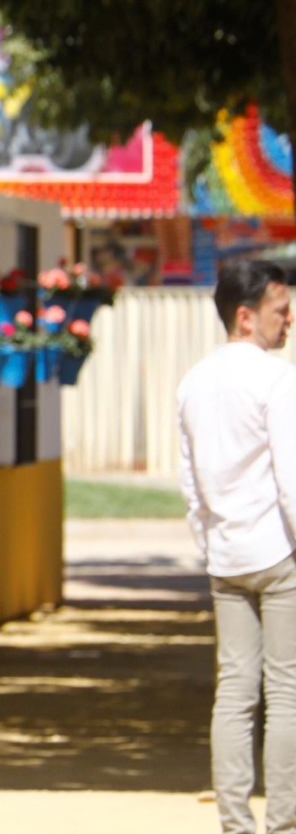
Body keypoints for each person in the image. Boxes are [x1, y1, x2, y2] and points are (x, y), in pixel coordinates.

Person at [178, 258, 296, 834]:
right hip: (280, 557)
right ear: (246, 317)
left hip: (226, 559)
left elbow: (190, 483)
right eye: (281, 310)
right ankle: (281, 824)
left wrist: (211, 547)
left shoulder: (193, 382)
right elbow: (292, 478)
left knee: (234, 694)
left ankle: (234, 824)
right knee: (288, 694)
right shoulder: (278, 380)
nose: (290, 320)